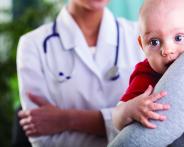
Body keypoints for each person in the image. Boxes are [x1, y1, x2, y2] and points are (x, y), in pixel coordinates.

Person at [16, 0, 153, 147]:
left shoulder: (143, 36)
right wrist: (122, 120)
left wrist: (67, 119)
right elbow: (42, 136)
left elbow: (151, 121)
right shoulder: (32, 45)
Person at [112, 0, 184, 130]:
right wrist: (131, 109)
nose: (167, 50)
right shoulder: (145, 76)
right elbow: (116, 117)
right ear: (142, 45)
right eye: (154, 42)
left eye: (178, 38)